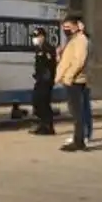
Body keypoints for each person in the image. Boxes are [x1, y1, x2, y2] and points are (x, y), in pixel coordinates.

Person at [55, 16, 91, 152]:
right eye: (64, 27)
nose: (66, 30)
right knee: (75, 112)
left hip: (76, 81)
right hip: (71, 80)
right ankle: (78, 140)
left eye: (68, 27)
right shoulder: (73, 40)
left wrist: (69, 77)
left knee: (78, 113)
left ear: (77, 26)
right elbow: (67, 60)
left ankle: (79, 142)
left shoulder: (81, 40)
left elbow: (79, 61)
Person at [30, 27, 57, 135]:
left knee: (44, 103)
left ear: (42, 37)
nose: (35, 39)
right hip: (40, 79)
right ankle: (42, 124)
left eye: (37, 36)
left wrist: (48, 77)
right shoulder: (39, 48)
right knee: (36, 101)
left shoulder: (48, 48)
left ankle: (48, 126)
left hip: (46, 80)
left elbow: (51, 65)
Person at [77, 19, 93, 140]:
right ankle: (79, 134)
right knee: (78, 108)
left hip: (84, 79)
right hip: (76, 79)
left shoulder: (86, 42)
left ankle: (86, 134)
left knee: (84, 107)